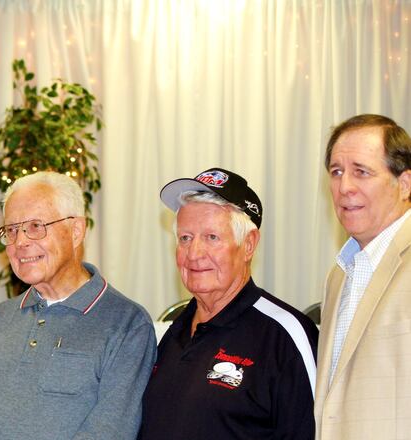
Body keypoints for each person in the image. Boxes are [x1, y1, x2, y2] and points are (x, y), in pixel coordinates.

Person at [0, 171, 157, 440]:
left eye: (36, 226)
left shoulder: (127, 325)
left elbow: (110, 430)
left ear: (76, 231)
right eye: (11, 230)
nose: (20, 242)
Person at [140, 168, 318, 439]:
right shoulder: (173, 333)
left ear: (248, 245)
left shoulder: (285, 337)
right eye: (185, 238)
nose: (194, 253)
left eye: (212, 237)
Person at [315, 114, 411, 439]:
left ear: (405, 184)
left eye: (361, 172)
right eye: (337, 172)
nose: (345, 188)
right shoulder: (339, 274)